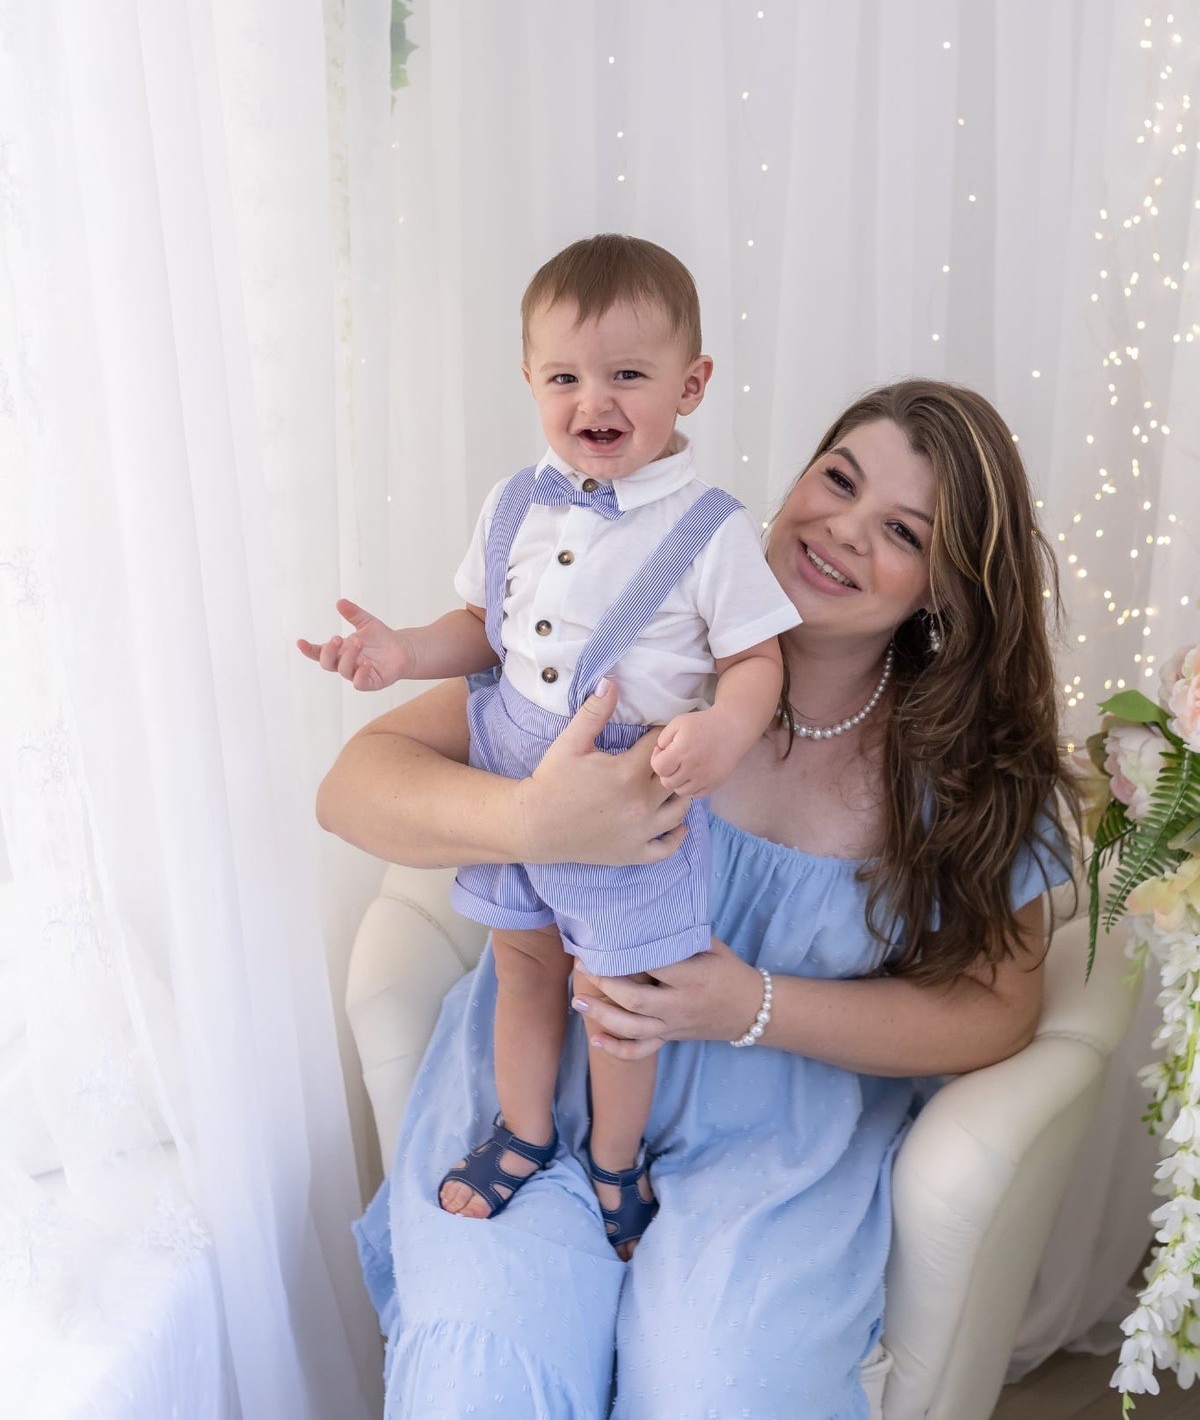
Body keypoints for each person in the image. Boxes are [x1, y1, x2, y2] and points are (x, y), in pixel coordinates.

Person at [317, 378, 1079, 1419]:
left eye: (900, 529)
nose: (842, 531)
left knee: (717, 1388)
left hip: (771, 1153)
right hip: (541, 1095)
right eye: (838, 479)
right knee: (482, 1377)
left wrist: (751, 1005)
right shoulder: (633, 641)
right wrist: (537, 823)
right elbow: (350, 789)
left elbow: (1000, 1007)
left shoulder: (963, 767)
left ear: (943, 587)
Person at [300, 236, 799, 1256]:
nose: (593, 401)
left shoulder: (713, 532)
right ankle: (525, 1129)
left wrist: (726, 727)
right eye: (565, 376)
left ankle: (616, 1158)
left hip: (633, 786)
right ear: (529, 380)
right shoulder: (517, 502)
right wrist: (400, 653)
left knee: (619, 1001)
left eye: (628, 375)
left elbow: (759, 659)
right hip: (509, 758)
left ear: (691, 385)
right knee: (522, 965)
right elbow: (482, 630)